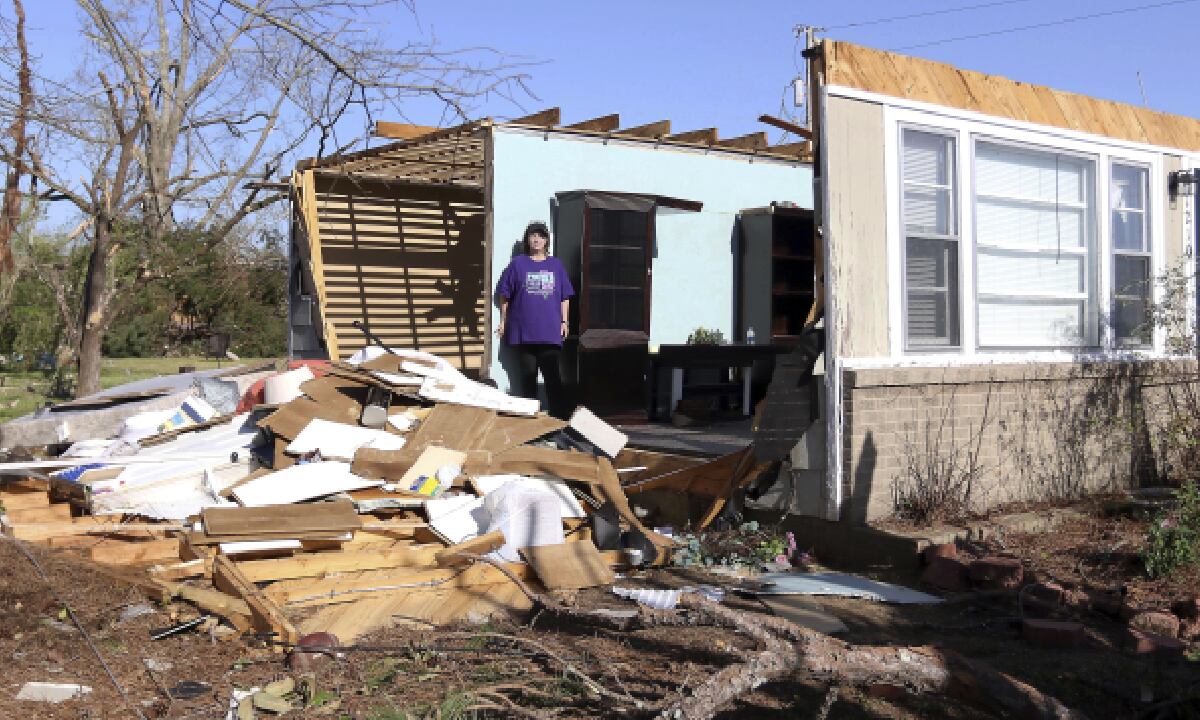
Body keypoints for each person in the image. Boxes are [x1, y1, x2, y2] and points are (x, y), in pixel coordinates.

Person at [496, 221, 574, 418]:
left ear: (547, 240)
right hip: (523, 331)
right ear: (527, 240)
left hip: (549, 331)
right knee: (527, 377)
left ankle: (558, 419)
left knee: (553, 377)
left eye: (540, 236)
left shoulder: (556, 265)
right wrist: (504, 321)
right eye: (533, 236)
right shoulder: (517, 264)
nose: (536, 239)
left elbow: (565, 296)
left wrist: (565, 322)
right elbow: (504, 295)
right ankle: (529, 421)